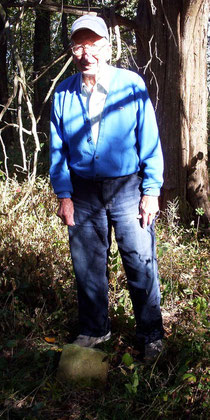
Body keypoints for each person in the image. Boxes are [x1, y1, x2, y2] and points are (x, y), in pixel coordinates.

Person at [50, 15, 164, 361]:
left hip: (128, 188)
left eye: (94, 44)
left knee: (140, 260)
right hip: (83, 193)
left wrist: (151, 190)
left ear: (106, 46)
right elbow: (58, 150)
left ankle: (150, 333)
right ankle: (95, 329)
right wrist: (64, 195)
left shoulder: (131, 84)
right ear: (71, 50)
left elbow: (150, 140)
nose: (87, 53)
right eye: (78, 45)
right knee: (87, 263)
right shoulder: (63, 93)